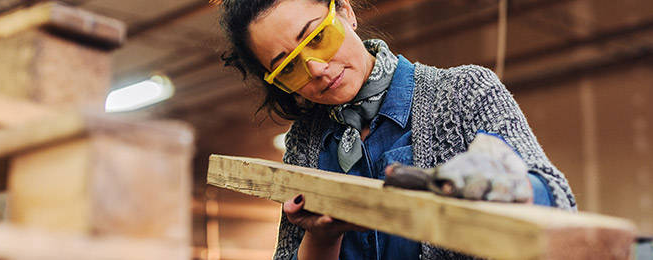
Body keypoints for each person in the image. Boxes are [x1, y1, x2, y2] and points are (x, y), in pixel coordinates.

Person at [219, 0, 577, 259]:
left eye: (316, 38)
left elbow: (561, 206)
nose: (316, 69)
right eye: (289, 67)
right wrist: (321, 239)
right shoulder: (304, 141)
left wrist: (510, 186)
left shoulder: (465, 91)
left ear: (346, 12)